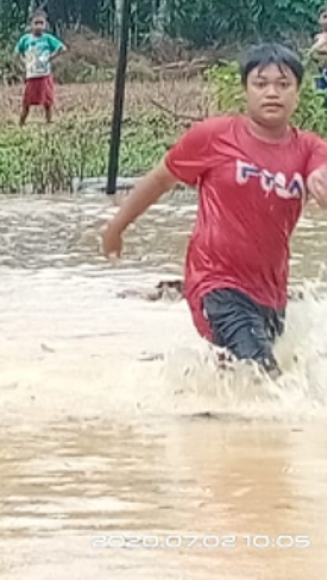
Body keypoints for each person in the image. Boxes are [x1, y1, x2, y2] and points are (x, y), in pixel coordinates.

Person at [101, 43, 327, 379]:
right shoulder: (214, 137)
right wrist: (115, 228)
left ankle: (200, 414)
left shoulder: (308, 146)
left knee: (240, 379)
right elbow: (160, 179)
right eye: (260, 83)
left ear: (297, 93)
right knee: (265, 378)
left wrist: (319, 178)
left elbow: (320, 168)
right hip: (215, 282)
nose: (272, 93)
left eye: (283, 85)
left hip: (271, 290)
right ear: (245, 90)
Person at [15, 11, 66, 125]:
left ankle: (49, 121)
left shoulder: (48, 38)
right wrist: (23, 63)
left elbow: (62, 48)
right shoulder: (25, 39)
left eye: (41, 23)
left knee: (47, 101)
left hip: (44, 75)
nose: (38, 26)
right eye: (36, 23)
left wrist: (51, 57)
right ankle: (21, 123)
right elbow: (17, 52)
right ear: (30, 25)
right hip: (31, 76)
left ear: (45, 25)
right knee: (26, 102)